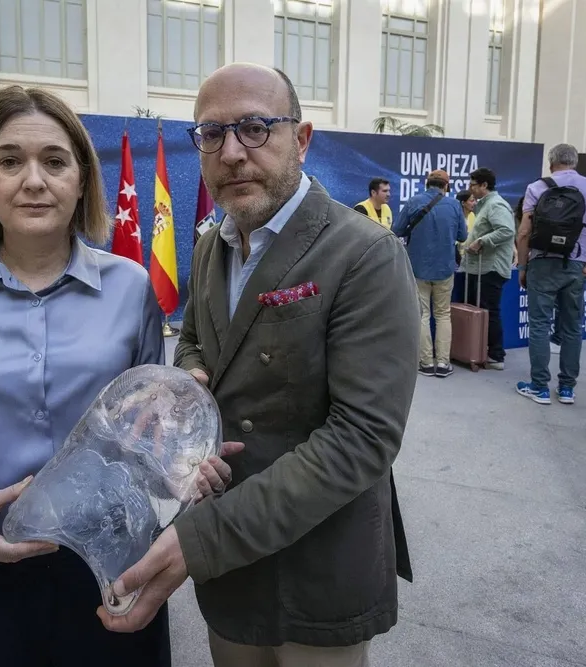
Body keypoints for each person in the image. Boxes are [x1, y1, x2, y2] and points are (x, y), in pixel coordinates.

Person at [0, 85, 237, 667]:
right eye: (10, 161)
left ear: (82, 179)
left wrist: (186, 465)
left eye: (55, 161)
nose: (34, 180)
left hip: (104, 580)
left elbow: (143, 437)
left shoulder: (131, 290)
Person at [96, 63, 419, 667]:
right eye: (211, 134)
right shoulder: (212, 242)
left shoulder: (364, 254)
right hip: (232, 568)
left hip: (319, 558)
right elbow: (193, 338)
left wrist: (200, 541)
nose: (232, 152)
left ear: (301, 139)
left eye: (254, 127)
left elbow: (364, 437)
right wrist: (190, 383)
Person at [515, 143, 586, 405]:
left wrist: (523, 266)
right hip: (577, 264)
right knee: (572, 327)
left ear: (551, 162)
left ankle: (539, 387)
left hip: (542, 262)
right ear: (575, 161)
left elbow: (525, 232)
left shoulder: (537, 187)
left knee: (539, 324)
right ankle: (567, 388)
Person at [395, 169, 468, 377]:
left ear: (427, 184)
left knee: (422, 314)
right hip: (445, 268)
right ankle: (443, 363)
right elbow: (463, 236)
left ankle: (426, 362)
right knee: (443, 314)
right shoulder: (454, 205)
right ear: (446, 186)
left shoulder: (413, 201)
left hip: (417, 267)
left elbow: (397, 230)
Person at [460, 167, 515, 370]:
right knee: (482, 310)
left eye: (473, 184)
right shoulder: (485, 205)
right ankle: (482, 349)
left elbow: (507, 231)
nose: (470, 188)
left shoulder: (496, 205)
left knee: (489, 311)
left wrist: (481, 241)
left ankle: (496, 354)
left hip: (491, 268)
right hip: (480, 267)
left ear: (484, 185)